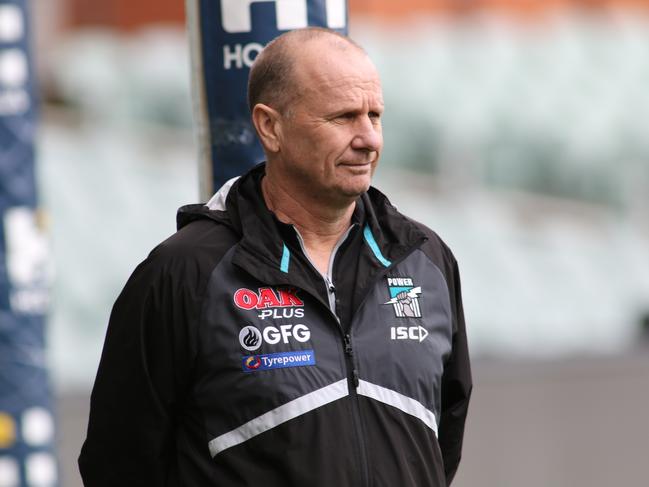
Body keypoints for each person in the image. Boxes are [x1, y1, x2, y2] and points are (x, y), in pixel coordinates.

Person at [79, 27, 471, 486]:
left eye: (375, 116)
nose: (368, 139)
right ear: (270, 126)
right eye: (344, 117)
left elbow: (440, 444)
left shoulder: (425, 260)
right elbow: (120, 463)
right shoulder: (185, 273)